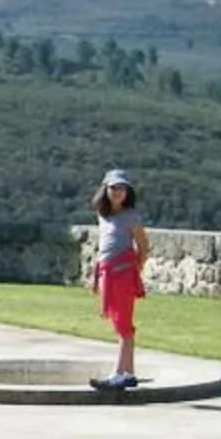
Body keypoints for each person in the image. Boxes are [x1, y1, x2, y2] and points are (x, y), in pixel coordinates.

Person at [89, 167, 148, 391]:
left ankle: (118, 374)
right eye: (114, 187)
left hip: (122, 272)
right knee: (121, 323)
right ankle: (129, 372)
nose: (118, 192)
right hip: (107, 272)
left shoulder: (131, 216)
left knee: (122, 323)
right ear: (106, 189)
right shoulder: (103, 215)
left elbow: (143, 246)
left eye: (122, 188)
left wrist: (135, 270)